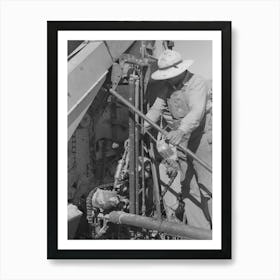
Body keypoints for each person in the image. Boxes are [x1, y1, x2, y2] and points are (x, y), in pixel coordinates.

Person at [144, 49, 212, 230]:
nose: (168, 78)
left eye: (170, 75)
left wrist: (180, 131)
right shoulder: (166, 87)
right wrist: (142, 124)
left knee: (208, 188)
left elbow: (196, 112)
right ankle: (200, 233)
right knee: (189, 189)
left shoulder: (198, 82)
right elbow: (156, 110)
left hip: (202, 141)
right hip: (181, 144)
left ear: (181, 70)